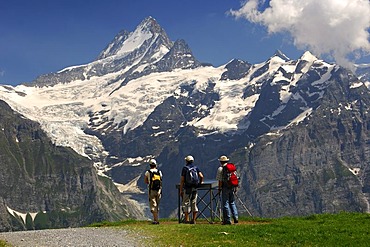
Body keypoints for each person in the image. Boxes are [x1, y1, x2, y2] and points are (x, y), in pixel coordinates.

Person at [179, 155, 204, 224]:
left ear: (186, 161)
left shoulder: (185, 168)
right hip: (195, 188)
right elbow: (201, 176)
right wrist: (200, 183)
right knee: (194, 203)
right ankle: (194, 219)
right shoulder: (196, 168)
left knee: (186, 203)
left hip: (187, 188)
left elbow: (182, 180)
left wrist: (181, 190)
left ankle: (186, 219)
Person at [216, 155, 239, 225]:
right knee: (232, 202)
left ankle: (227, 220)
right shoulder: (232, 168)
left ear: (221, 162)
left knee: (225, 203)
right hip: (232, 186)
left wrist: (219, 189)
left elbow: (220, 180)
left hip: (225, 187)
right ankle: (236, 217)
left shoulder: (221, 169)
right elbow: (236, 177)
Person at [144, 158, 162, 224]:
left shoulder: (148, 172)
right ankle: (156, 219)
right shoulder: (159, 172)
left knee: (153, 204)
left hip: (151, 190)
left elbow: (145, 181)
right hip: (159, 190)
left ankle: (156, 220)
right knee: (157, 204)